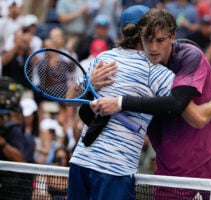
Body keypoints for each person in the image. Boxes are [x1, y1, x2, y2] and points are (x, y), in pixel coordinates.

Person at [91, 8, 211, 199]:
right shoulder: (134, 68)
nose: (153, 47)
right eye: (146, 39)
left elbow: (197, 117)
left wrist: (120, 102)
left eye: (159, 40)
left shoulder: (189, 57)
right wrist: (90, 85)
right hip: (171, 168)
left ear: (172, 37)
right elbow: (82, 106)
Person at [67, 5, 175, 200]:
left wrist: (89, 83)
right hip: (114, 170)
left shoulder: (103, 58)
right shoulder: (156, 70)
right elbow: (180, 104)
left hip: (80, 163)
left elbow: (68, 99)